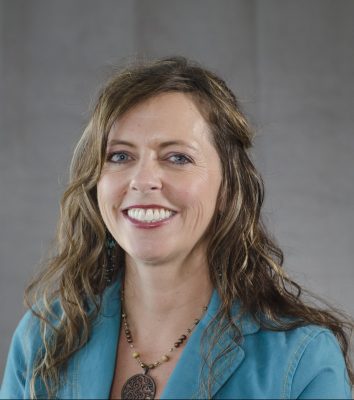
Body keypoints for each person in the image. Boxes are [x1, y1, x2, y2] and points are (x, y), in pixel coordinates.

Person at [0, 56, 353, 399]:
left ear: (230, 186)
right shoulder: (42, 339)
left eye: (177, 157)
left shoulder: (304, 362)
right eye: (120, 156)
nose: (142, 180)